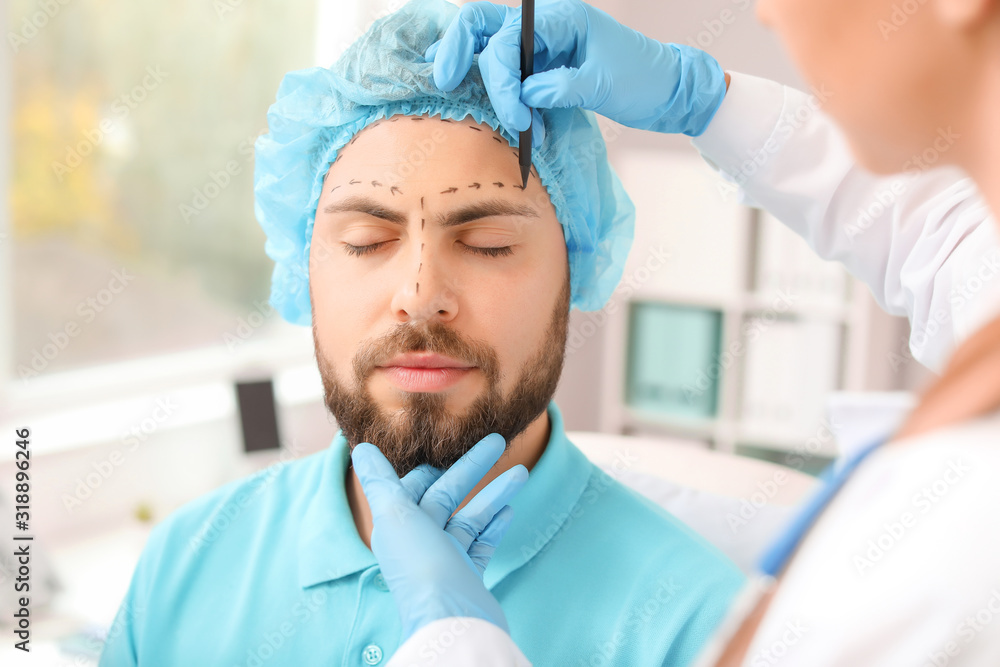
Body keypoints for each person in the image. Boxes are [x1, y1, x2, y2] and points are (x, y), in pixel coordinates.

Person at [97, 1, 748, 665]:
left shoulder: (705, 630)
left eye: (488, 243)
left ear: (574, 262)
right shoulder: (182, 570)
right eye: (366, 239)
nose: (419, 296)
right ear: (302, 265)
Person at [356, 0, 1000, 665]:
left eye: (489, 243)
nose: (769, 12)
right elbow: (951, 238)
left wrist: (452, 637)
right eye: (365, 240)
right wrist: (703, 100)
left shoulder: (965, 529)